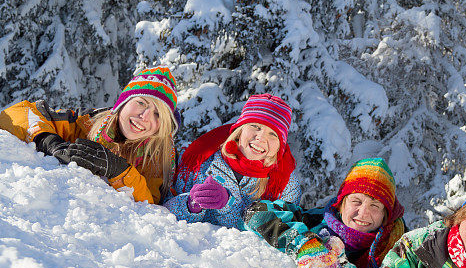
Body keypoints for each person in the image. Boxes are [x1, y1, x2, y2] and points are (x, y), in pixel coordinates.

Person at [0, 66, 179, 204]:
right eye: (141, 102)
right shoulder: (86, 122)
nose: (145, 117)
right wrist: (48, 141)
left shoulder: (159, 156)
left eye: (158, 114)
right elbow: (17, 112)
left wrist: (119, 171)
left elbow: (153, 207)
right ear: (123, 102)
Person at [243, 157, 405, 268]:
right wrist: (305, 244)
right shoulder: (317, 220)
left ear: (385, 215)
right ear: (341, 203)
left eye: (375, 206)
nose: (363, 213)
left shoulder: (395, 249)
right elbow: (256, 212)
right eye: (356, 201)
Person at [163, 93, 301, 228]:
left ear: (280, 144)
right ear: (240, 129)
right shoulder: (201, 162)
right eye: (256, 126)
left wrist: (228, 204)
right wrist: (191, 204)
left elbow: (280, 233)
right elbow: (164, 211)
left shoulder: (285, 184)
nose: (261, 138)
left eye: (273, 134)